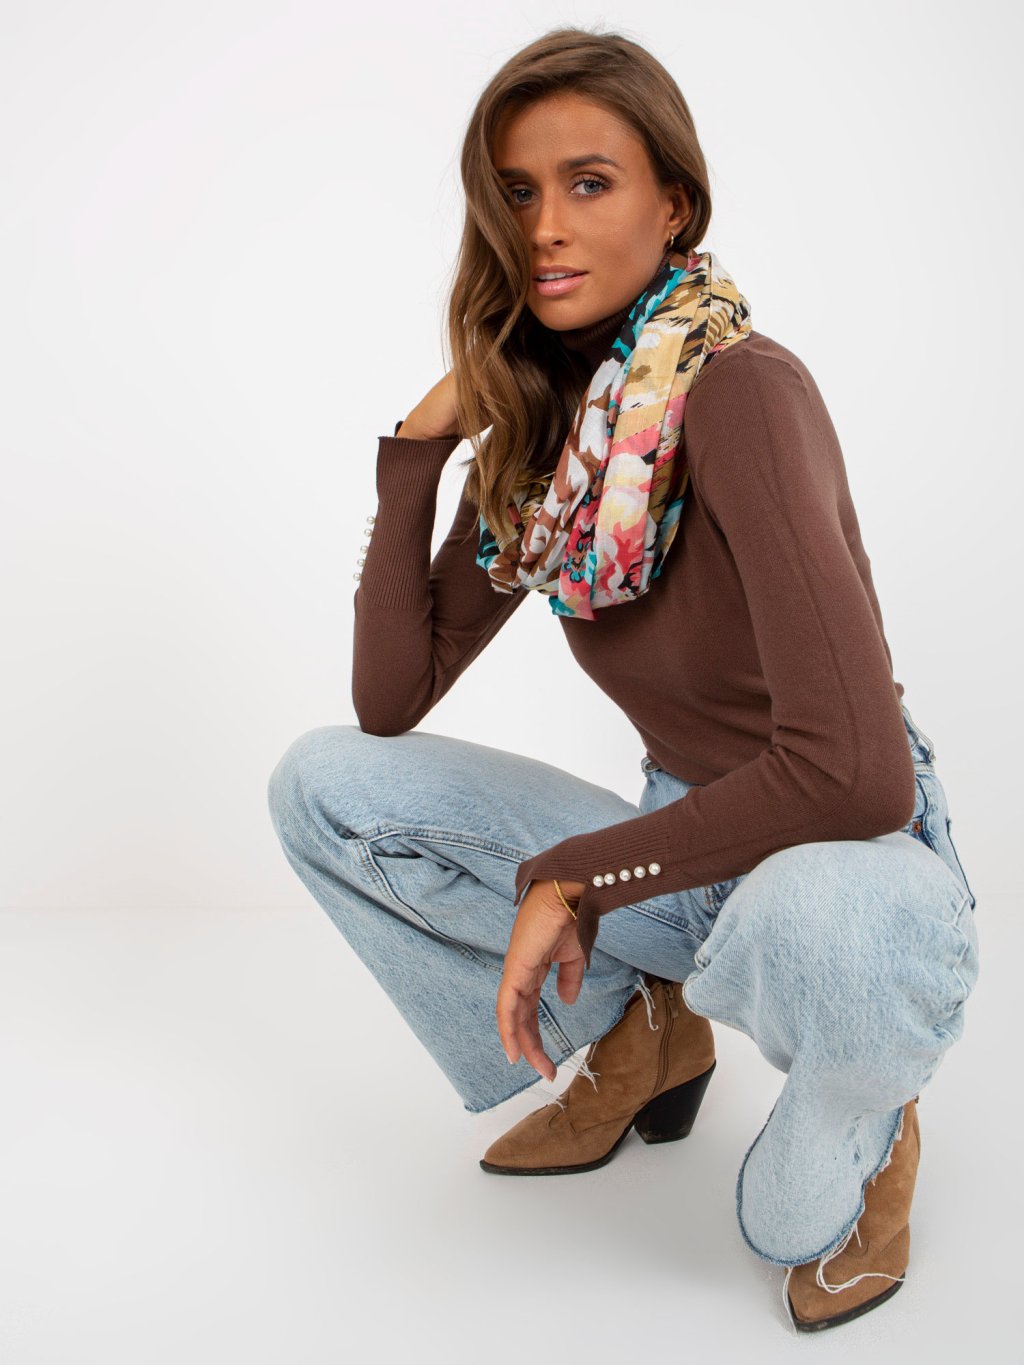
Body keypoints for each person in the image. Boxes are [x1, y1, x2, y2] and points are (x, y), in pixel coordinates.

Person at [266, 26, 980, 1334]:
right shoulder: (559, 436)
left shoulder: (743, 394)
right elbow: (389, 701)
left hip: (844, 864)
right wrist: (416, 456)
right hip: (679, 849)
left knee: (788, 1210)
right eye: (517, 191)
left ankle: (871, 1107)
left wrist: (578, 877)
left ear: (676, 207)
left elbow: (855, 773)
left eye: (588, 182)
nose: (544, 225)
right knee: (325, 784)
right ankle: (640, 1031)